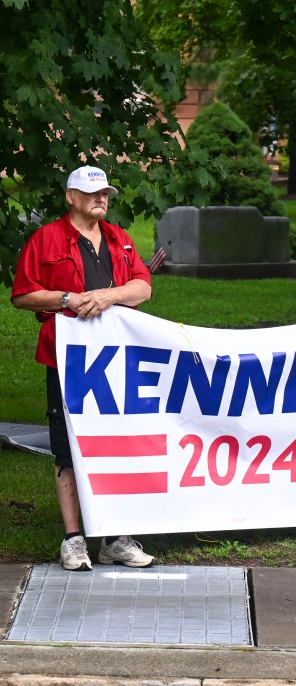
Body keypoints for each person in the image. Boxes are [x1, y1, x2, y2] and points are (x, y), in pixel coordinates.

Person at [11, 165, 157, 570]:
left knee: (116, 444)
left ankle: (114, 539)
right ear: (70, 197)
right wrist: (66, 300)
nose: (101, 199)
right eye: (91, 193)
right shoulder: (47, 239)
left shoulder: (119, 239)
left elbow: (143, 286)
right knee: (68, 446)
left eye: (105, 193)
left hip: (116, 359)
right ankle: (73, 539)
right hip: (68, 359)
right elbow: (22, 295)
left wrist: (110, 295)